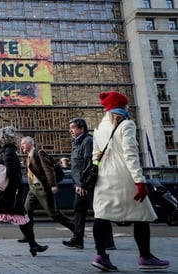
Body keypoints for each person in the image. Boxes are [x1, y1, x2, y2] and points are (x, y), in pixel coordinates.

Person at [91, 91, 170, 271]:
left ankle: (101, 256)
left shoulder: (99, 127)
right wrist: (139, 181)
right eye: (126, 105)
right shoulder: (126, 124)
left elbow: (96, 155)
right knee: (141, 216)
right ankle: (145, 257)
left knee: (101, 216)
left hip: (103, 177)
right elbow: (130, 155)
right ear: (123, 107)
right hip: (124, 177)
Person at [0, 126, 48, 258]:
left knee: (20, 218)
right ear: (10, 138)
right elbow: (10, 171)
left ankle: (33, 245)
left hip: (4, 192)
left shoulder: (0, 152)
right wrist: (19, 184)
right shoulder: (9, 152)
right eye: (15, 136)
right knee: (0, 219)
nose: (18, 138)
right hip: (9, 193)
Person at [62, 118, 116, 250]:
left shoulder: (87, 141)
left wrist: (82, 184)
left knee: (99, 211)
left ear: (81, 128)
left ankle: (109, 241)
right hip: (80, 184)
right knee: (78, 210)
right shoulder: (77, 143)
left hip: (88, 185)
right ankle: (78, 239)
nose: (70, 131)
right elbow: (78, 164)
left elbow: (88, 163)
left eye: (73, 128)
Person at [17, 136, 74, 243]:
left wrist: (53, 185)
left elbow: (48, 169)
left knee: (53, 214)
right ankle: (28, 235)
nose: (22, 146)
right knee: (26, 211)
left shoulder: (39, 153)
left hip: (42, 188)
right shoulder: (28, 157)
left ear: (30, 144)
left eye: (24, 143)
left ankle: (76, 229)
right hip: (33, 189)